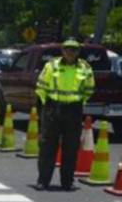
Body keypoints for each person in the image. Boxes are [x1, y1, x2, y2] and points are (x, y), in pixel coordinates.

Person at [35, 38, 95, 190]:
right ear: (62, 50)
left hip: (74, 110)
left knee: (71, 148)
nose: (70, 52)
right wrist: (46, 106)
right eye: (67, 49)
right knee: (48, 147)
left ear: (78, 52)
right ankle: (43, 181)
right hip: (53, 109)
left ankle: (67, 182)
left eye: (73, 49)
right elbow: (41, 86)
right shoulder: (51, 65)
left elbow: (89, 88)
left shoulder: (85, 67)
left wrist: (79, 102)